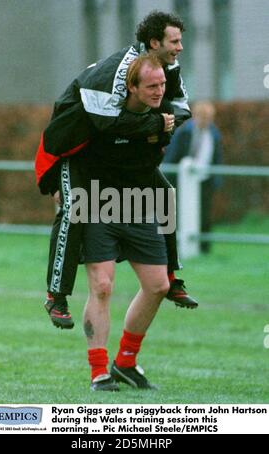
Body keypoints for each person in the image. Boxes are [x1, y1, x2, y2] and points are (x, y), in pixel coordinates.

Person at [35, 11, 198, 331]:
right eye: (174, 41)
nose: (180, 47)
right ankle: (55, 295)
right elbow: (105, 123)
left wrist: (159, 131)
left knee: (165, 193)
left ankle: (171, 276)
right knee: (75, 209)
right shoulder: (117, 71)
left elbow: (180, 110)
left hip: (113, 157)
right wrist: (153, 125)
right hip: (71, 153)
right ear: (154, 43)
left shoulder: (166, 67)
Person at [83, 54, 177, 391]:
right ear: (132, 87)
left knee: (158, 286)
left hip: (138, 206)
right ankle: (98, 372)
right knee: (102, 286)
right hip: (94, 204)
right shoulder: (101, 114)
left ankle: (125, 362)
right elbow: (64, 144)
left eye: (162, 85)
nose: (158, 92)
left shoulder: (165, 117)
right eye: (151, 86)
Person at [163, 100, 223, 252]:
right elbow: (172, 156)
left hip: (204, 179)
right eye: (202, 117)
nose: (205, 121)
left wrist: (216, 179)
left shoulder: (214, 134)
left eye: (208, 118)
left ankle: (204, 248)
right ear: (195, 116)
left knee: (205, 213)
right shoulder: (184, 133)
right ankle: (175, 246)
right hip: (181, 180)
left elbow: (216, 158)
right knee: (177, 213)